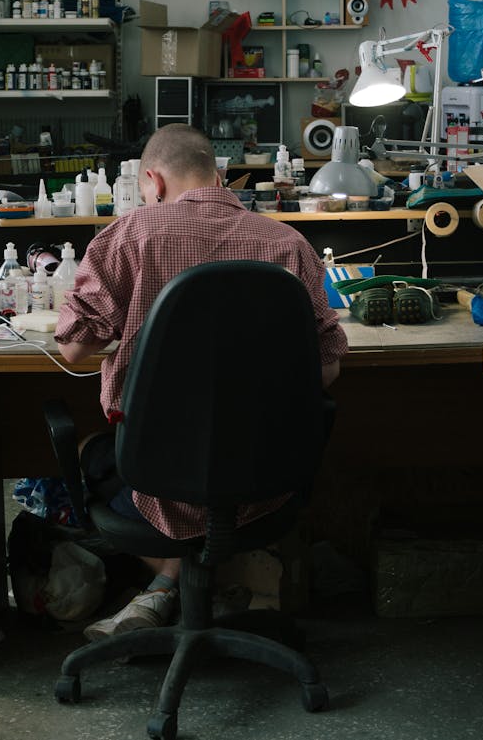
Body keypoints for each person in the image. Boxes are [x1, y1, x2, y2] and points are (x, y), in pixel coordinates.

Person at [54, 124, 348, 641]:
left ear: (154, 180)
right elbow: (327, 369)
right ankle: (182, 588)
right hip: (264, 475)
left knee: (86, 449)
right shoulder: (286, 242)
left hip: (155, 476)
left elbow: (74, 347)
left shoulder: (128, 235)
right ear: (220, 176)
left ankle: (165, 589)